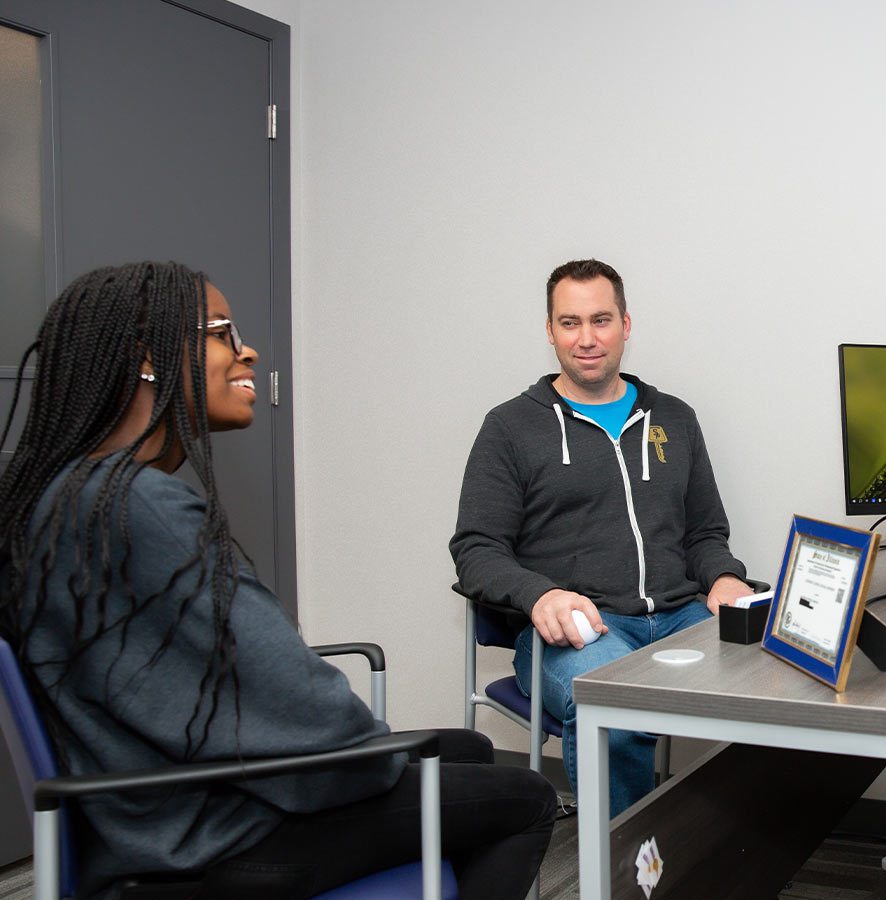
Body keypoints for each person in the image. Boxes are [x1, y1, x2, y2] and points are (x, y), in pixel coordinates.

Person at [0, 263, 556, 900]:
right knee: (527, 796)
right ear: (148, 359)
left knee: (465, 750)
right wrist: (372, 756)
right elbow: (299, 701)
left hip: (140, 815)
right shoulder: (143, 507)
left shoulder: (66, 494)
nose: (248, 351)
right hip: (205, 843)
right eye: (221, 333)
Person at [451, 258, 754, 816]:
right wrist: (540, 595)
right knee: (615, 705)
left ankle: (729, 861)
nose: (586, 339)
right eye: (570, 323)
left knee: (779, 679)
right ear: (549, 331)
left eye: (601, 320)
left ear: (626, 324)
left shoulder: (675, 418)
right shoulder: (510, 427)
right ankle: (623, 875)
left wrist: (725, 577)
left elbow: (705, 530)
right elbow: (476, 549)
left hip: (679, 617)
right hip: (579, 629)